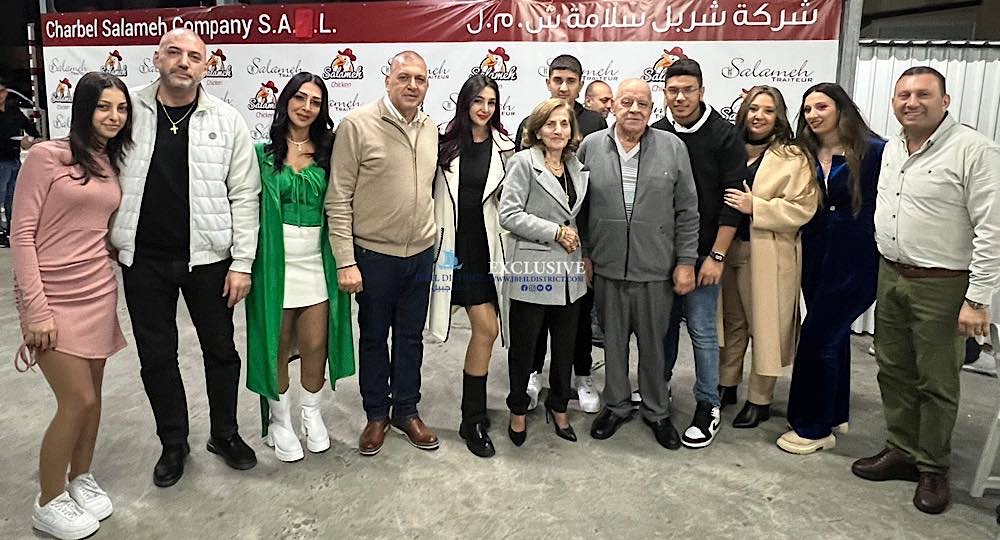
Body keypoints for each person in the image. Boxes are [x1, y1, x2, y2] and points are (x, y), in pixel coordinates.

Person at [110, 28, 261, 487]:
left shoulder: (227, 119)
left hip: (209, 260)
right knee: (157, 356)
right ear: (157, 58)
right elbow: (97, 164)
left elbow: (245, 194)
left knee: (222, 351)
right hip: (143, 261)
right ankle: (173, 442)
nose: (183, 62)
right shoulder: (127, 111)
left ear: (207, 66)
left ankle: (225, 433)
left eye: (194, 56)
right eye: (173, 52)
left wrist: (242, 263)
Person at [852, 66, 1000, 515]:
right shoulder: (893, 147)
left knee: (936, 379)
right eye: (903, 95)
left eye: (923, 94)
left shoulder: (974, 150)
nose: (911, 103)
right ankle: (901, 449)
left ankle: (933, 466)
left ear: (945, 101)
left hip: (943, 283)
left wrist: (977, 299)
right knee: (893, 368)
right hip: (892, 273)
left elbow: (992, 228)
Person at [13, 71, 131, 540]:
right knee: (76, 399)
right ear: (83, 108)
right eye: (104, 107)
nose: (114, 116)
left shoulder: (110, 162)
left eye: (121, 108)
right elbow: (22, 235)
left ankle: (80, 477)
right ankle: (47, 500)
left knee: (93, 399)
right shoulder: (47, 156)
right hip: (51, 296)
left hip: (98, 290)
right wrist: (35, 310)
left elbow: (99, 227)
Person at [326, 50, 439, 457]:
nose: (412, 85)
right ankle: (376, 415)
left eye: (420, 79)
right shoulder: (357, 125)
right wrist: (345, 260)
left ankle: (406, 410)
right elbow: (338, 198)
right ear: (387, 80)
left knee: (410, 338)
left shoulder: (431, 127)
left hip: (420, 254)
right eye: (404, 77)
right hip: (373, 256)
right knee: (374, 337)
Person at [580, 79, 699, 449]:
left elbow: (688, 210)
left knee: (654, 347)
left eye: (642, 104)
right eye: (627, 102)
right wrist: (585, 253)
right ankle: (616, 405)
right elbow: (578, 208)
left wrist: (686, 261)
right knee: (613, 345)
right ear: (613, 105)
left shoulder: (672, 147)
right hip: (607, 267)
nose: (634, 109)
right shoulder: (590, 146)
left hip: (656, 270)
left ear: (652, 109)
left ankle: (657, 411)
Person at [245, 72, 355, 463]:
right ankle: (280, 422)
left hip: (316, 264)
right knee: (275, 343)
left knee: (315, 344)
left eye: (315, 101)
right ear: (286, 101)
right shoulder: (261, 153)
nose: (306, 107)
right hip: (273, 266)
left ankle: (311, 413)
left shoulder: (331, 152)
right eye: (300, 98)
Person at [777, 83, 885, 455]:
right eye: (807, 109)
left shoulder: (874, 151)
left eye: (821, 106)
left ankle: (814, 428)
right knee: (833, 338)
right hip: (815, 256)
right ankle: (834, 412)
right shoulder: (804, 153)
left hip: (857, 259)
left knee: (817, 337)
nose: (813, 115)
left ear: (841, 108)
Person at [652, 58, 745, 449]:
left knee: (703, 330)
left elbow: (733, 202)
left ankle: (708, 403)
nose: (680, 97)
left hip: (706, 254)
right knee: (663, 328)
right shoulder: (657, 132)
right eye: (673, 90)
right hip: (660, 256)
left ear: (702, 91)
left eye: (688, 90)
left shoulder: (724, 135)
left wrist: (717, 256)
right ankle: (658, 388)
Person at [718, 85, 819, 429]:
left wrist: (756, 206)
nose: (758, 116)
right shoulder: (731, 147)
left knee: (765, 326)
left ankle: (759, 400)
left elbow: (803, 208)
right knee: (731, 322)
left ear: (778, 117)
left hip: (768, 251)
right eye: (753, 108)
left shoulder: (793, 156)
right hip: (729, 249)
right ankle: (727, 384)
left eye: (768, 110)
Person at [427, 75, 516, 458]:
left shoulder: (506, 149)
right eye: (478, 101)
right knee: (416, 332)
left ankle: (472, 419)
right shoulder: (441, 145)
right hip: (449, 252)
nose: (484, 109)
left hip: (485, 252)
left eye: (491, 102)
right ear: (465, 103)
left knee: (487, 330)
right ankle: (400, 409)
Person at [514, 54, 605, 413]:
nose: (564, 86)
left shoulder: (596, 122)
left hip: (575, 251)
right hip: (538, 253)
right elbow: (520, 201)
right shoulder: (530, 125)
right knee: (534, 323)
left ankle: (581, 376)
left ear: (580, 83)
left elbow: (589, 193)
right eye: (557, 79)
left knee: (576, 322)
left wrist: (587, 250)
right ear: (548, 81)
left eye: (571, 80)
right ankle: (533, 373)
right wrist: (553, 232)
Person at [499, 97, 589, 446]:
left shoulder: (576, 166)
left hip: (570, 273)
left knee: (565, 349)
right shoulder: (523, 163)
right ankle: (518, 410)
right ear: (537, 130)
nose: (558, 130)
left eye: (564, 124)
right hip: (534, 269)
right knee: (524, 349)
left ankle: (559, 406)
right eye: (550, 124)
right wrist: (554, 231)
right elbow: (509, 214)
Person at [0, 76, 42, 247]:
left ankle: (12, 230)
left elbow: (29, 126)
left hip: (14, 159)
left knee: (12, 198)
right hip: (2, 160)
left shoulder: (12, 109)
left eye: (2, 91)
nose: (1, 95)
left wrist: (32, 138)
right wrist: (17, 142)